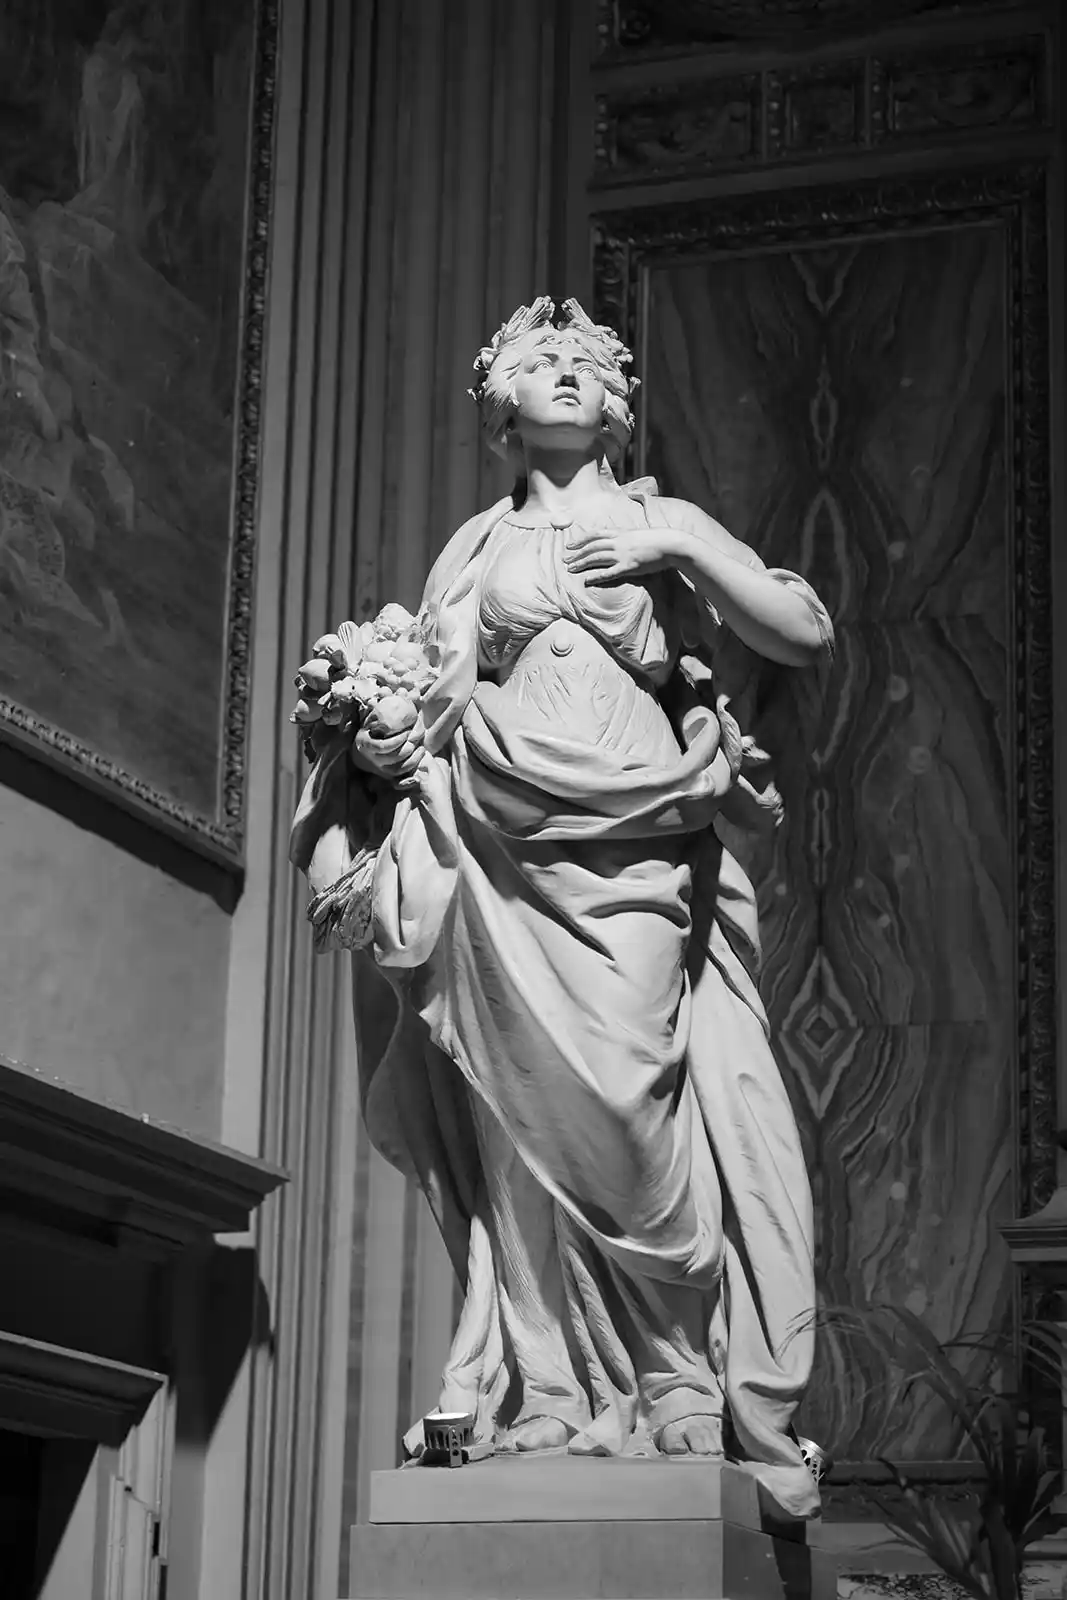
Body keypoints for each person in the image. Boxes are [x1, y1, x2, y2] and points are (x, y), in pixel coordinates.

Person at [290, 297, 834, 1516]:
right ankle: (544, 1384)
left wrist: (677, 548)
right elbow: (429, 695)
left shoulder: (654, 519)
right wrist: (375, 740)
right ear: (502, 405)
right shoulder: (475, 548)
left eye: (586, 362)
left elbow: (800, 629)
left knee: (633, 1094)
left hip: (638, 837)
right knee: (512, 1104)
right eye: (541, 362)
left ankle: (678, 1376)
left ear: (616, 403)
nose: (568, 373)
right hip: (498, 843)